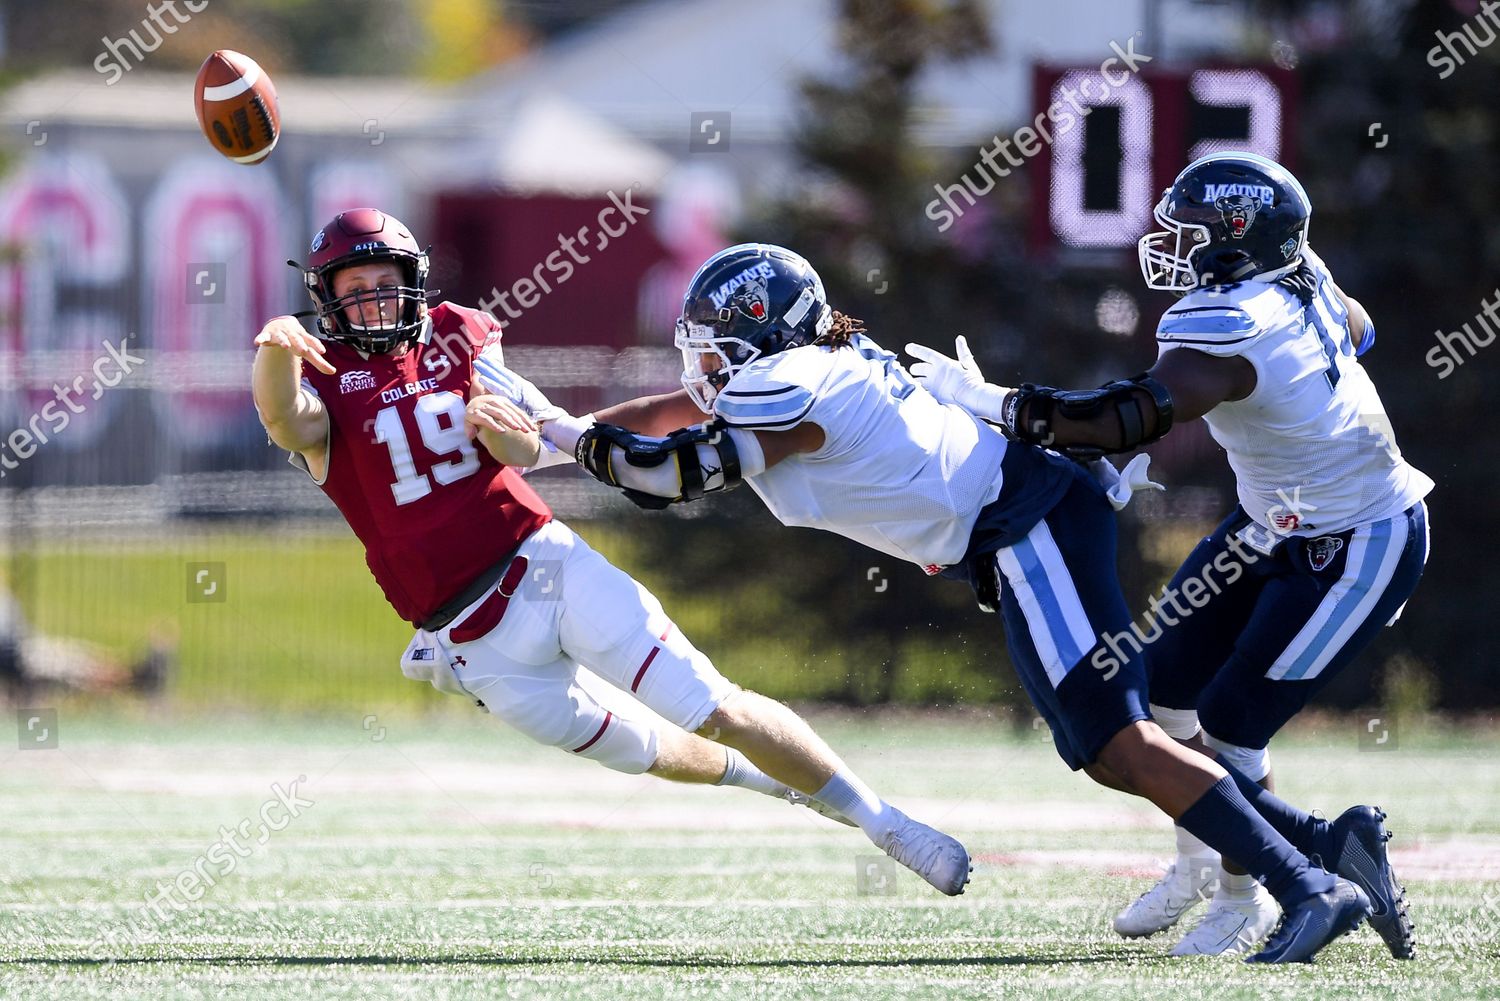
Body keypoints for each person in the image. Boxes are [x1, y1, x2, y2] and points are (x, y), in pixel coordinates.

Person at [531, 240, 1382, 964]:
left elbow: (670, 472)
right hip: (1023, 523)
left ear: (765, 338)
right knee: (1102, 747)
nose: (704, 366)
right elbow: (663, 415)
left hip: (1028, 522)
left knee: (1119, 740)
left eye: (717, 347)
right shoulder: (812, 364)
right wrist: (539, 436)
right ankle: (1318, 843)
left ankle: (1301, 880)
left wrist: (563, 434)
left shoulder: (792, 383)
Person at [249, 208, 972, 897]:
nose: (376, 302)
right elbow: (286, 418)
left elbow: (527, 446)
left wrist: (507, 439)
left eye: (385, 283)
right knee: (647, 752)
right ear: (325, 301)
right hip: (471, 642)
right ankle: (777, 779)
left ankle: (888, 824)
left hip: (545, 566)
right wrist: (274, 347)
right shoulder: (315, 380)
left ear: (414, 278)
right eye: (356, 290)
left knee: (712, 705)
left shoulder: (455, 335)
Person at [904, 151, 1429, 957]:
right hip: (1272, 521)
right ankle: (1228, 861)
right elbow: (1360, 329)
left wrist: (986, 402)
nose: (1174, 245)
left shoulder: (1224, 322)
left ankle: (1251, 893)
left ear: (1238, 238)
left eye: (1192, 232)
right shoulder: (1305, 273)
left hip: (1361, 539)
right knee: (1165, 689)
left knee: (1230, 727)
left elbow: (1124, 416)